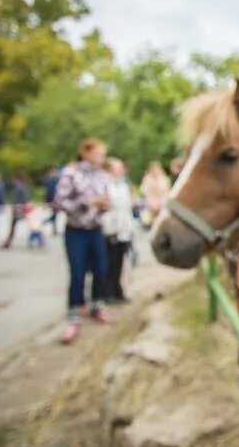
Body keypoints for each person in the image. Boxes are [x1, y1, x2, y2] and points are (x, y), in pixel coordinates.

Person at [55, 138, 113, 344]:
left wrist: (105, 205)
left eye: (102, 155)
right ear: (85, 153)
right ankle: (74, 313)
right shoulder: (70, 174)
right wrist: (88, 202)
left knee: (101, 269)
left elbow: (107, 200)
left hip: (96, 229)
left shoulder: (103, 176)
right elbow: (60, 202)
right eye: (98, 154)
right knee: (77, 271)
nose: (101, 159)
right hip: (76, 230)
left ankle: (98, 305)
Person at [102, 157, 135, 304]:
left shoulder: (123, 185)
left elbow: (126, 206)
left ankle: (118, 291)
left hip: (123, 229)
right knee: (110, 262)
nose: (121, 170)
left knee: (120, 262)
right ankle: (107, 292)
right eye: (117, 167)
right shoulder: (104, 184)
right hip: (110, 228)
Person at [0, 170, 30, 249]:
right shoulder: (22, 186)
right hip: (19, 208)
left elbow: (24, 199)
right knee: (14, 226)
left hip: (18, 209)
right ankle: (8, 242)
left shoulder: (20, 187)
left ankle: (8, 243)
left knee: (14, 226)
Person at [139, 161, 170, 227]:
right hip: (150, 202)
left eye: (157, 169)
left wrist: (161, 202)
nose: (156, 171)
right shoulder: (147, 178)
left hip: (162, 202)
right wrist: (152, 201)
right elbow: (144, 192)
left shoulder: (164, 179)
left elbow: (167, 192)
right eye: (154, 169)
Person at [42, 167, 61, 236]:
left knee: (55, 214)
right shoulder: (53, 181)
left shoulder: (49, 180)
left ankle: (54, 230)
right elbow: (51, 192)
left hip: (52, 199)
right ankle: (45, 222)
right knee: (54, 214)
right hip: (54, 200)